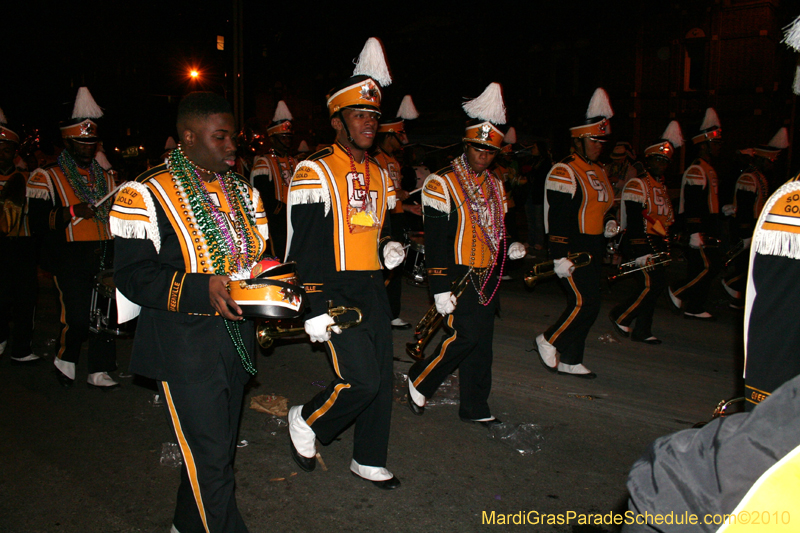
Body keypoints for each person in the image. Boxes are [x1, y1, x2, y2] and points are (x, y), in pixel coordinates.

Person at [110, 91, 269, 532]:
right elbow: (134, 276)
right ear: (188, 136)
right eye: (221, 137)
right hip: (182, 347)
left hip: (237, 341)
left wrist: (275, 278)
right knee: (214, 458)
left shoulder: (242, 193)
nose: (233, 146)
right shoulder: (144, 192)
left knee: (213, 452)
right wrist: (204, 289)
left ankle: (186, 521)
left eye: (233, 136)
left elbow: (254, 259)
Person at [284, 38, 405, 490]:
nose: (371, 123)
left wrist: (391, 244)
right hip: (332, 288)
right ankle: (308, 418)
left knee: (382, 380)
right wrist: (313, 304)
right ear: (338, 120)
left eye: (375, 116)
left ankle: (369, 457)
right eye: (361, 115)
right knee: (360, 380)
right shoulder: (314, 170)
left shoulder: (377, 171)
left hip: (372, 285)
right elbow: (305, 245)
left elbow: (383, 224)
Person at [406, 83, 526, 427]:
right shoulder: (440, 183)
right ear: (466, 144)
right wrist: (439, 286)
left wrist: (511, 244)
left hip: (487, 273)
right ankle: (421, 378)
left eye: (490, 152)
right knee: (465, 337)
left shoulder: (494, 184)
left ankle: (474, 405)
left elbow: (497, 227)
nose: (483, 157)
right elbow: (438, 241)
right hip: (458, 272)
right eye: (478, 150)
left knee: (482, 345)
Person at [27, 87, 118, 388]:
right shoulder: (46, 176)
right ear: (68, 141)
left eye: (92, 142)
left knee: (105, 315)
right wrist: (70, 210)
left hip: (103, 250)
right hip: (68, 255)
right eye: (81, 142)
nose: (88, 147)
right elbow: (39, 222)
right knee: (77, 316)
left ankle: (100, 369)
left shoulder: (105, 177)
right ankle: (65, 358)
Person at [534, 88, 616, 379]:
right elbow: (558, 218)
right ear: (578, 140)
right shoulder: (564, 171)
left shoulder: (599, 170)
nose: (599, 146)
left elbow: (600, 206)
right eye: (594, 140)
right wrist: (558, 256)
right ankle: (549, 339)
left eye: (601, 140)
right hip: (573, 247)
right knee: (584, 302)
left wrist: (607, 225)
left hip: (593, 244)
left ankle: (571, 358)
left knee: (590, 305)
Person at [610, 121, 683, 345]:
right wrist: (640, 250)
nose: (662, 164)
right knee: (652, 284)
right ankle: (621, 315)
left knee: (655, 285)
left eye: (666, 161)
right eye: (658, 160)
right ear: (649, 160)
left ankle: (643, 329)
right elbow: (633, 220)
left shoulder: (659, 186)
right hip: (640, 242)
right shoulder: (637, 184)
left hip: (658, 242)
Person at [720, 127, 788, 308]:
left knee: (749, 265)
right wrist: (745, 232)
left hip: (753, 225)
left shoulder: (760, 177)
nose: (771, 165)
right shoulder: (749, 177)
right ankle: (731, 285)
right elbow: (744, 207)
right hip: (745, 226)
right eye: (769, 161)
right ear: (760, 160)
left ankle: (737, 297)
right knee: (747, 265)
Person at [668, 108, 723, 320]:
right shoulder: (697, 169)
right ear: (704, 145)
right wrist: (694, 230)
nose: (719, 148)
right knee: (708, 266)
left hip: (708, 224)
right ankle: (679, 291)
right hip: (698, 226)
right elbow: (693, 203)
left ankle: (695, 306)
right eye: (715, 143)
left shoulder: (707, 168)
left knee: (704, 267)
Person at [374, 94, 418, 329]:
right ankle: (382, 311)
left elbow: (397, 196)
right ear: (389, 135)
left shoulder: (393, 161)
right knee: (383, 265)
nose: (402, 140)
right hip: (382, 220)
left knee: (396, 264)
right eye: (399, 135)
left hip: (397, 217)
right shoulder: (375, 159)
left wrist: (409, 206)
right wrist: (395, 194)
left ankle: (391, 312)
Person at [0, 108, 41, 363]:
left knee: (25, 297)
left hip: (20, 246)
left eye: (5, 149)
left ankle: (22, 348)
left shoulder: (28, 179)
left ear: (14, 152)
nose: (0, 154)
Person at [249, 100, 296, 259]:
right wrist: (282, 211)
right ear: (274, 138)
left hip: (293, 219)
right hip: (275, 221)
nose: (287, 141)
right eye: (283, 137)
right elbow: (263, 198)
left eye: (289, 137)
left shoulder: (295, 162)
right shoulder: (264, 163)